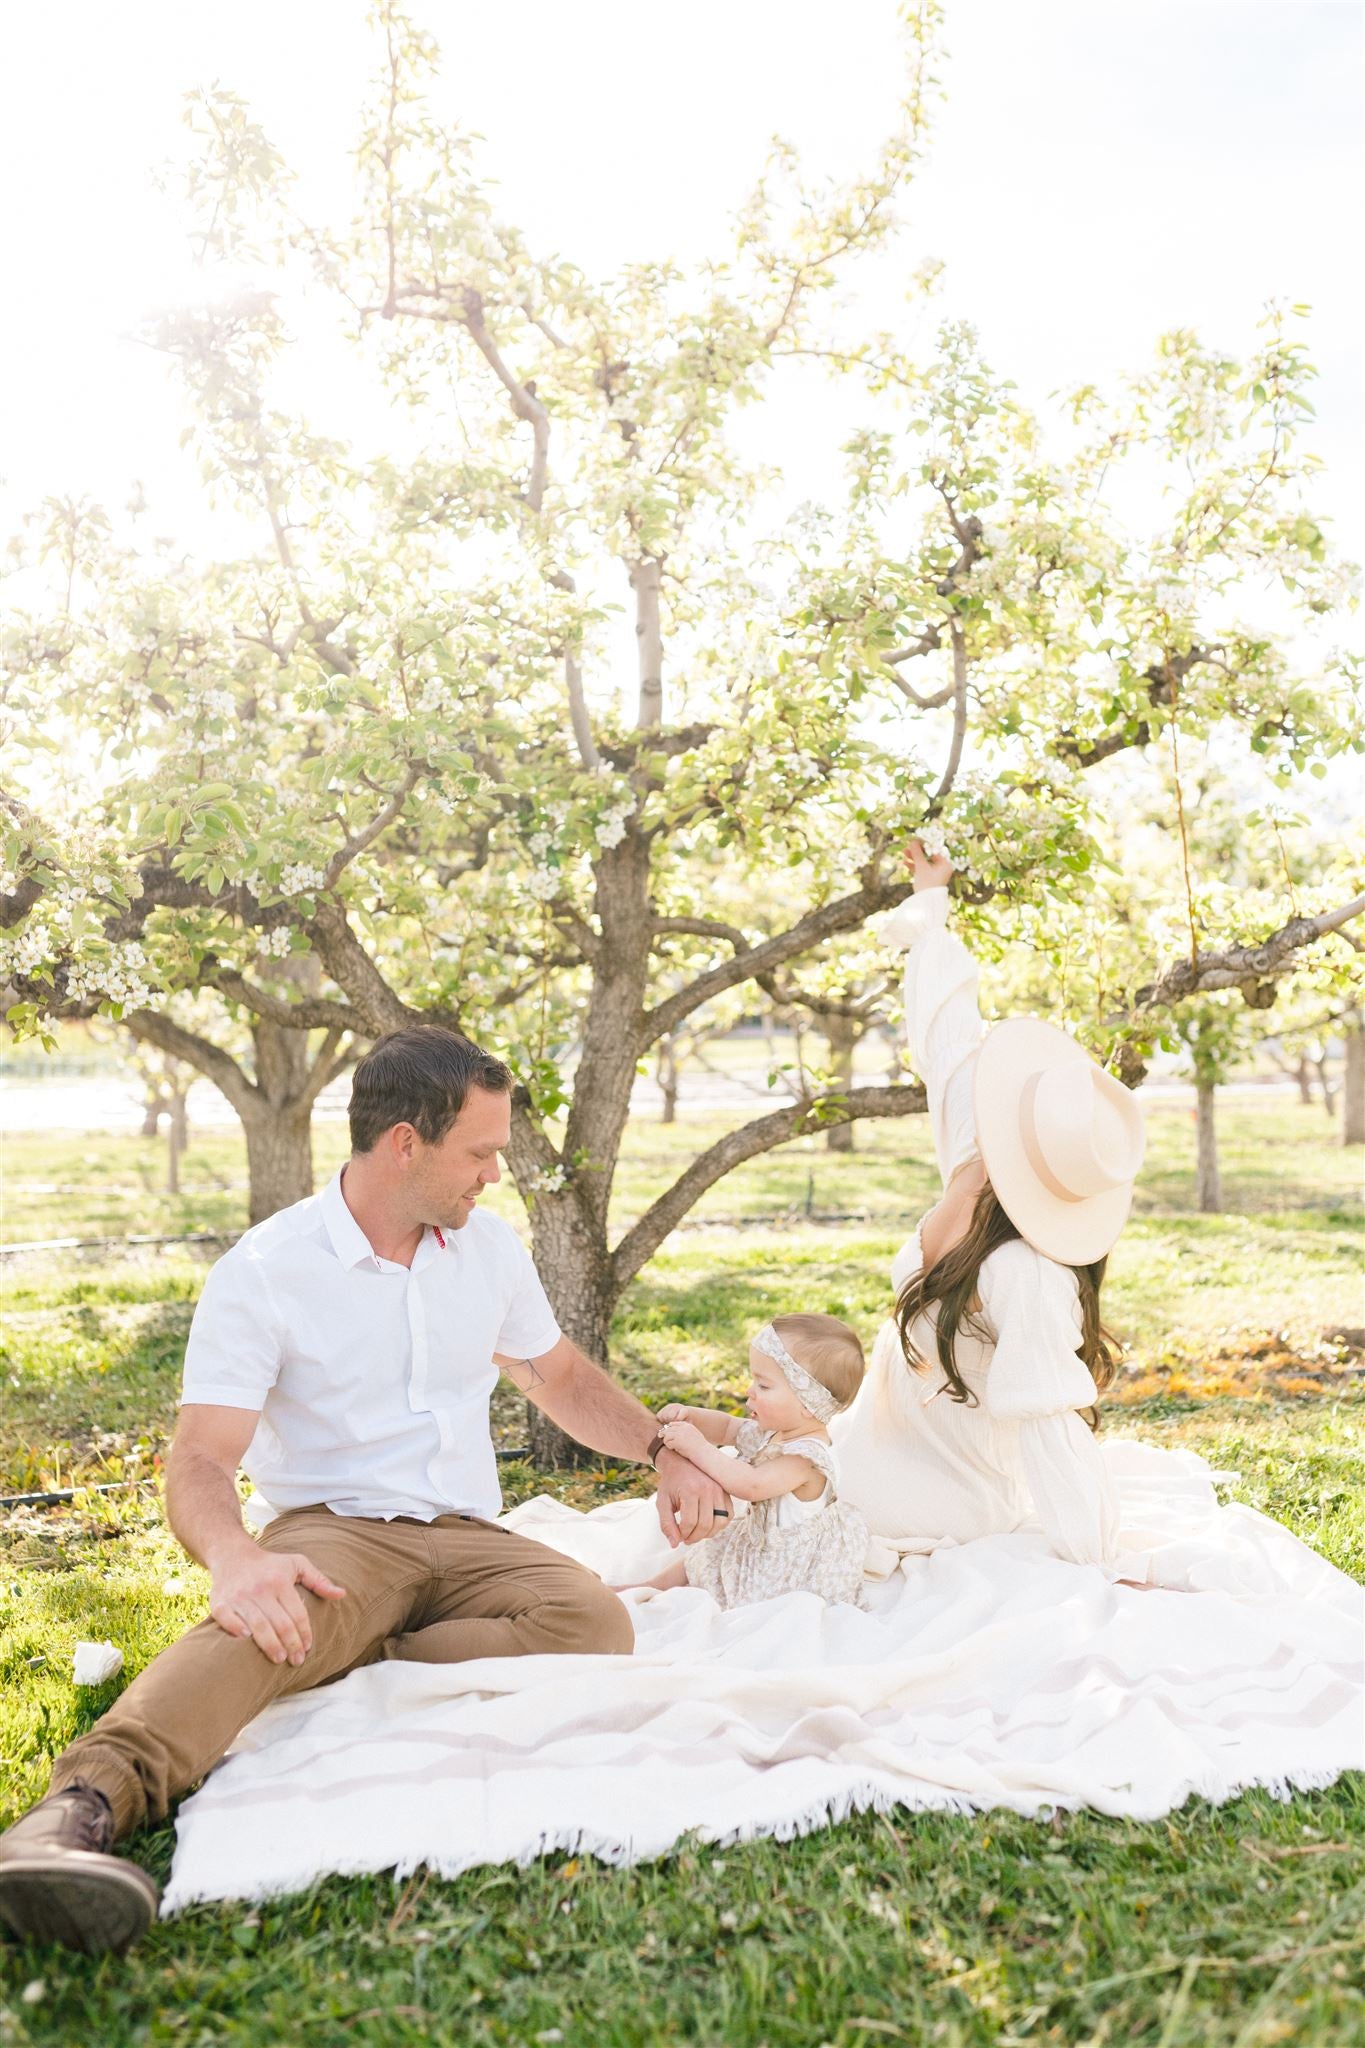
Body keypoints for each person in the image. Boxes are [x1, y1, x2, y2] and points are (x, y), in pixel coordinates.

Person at [0, 1026, 728, 1957]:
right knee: (265, 1624)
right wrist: (236, 1558)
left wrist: (665, 1446)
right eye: (480, 1152)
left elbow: (559, 1379)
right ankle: (77, 1810)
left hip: (468, 1537)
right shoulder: (265, 1272)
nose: (492, 1177)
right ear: (404, 1144)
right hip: (339, 1533)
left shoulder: (488, 1248)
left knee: (593, 1623)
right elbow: (199, 1460)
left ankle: (363, 1648)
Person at [832, 836, 1155, 1583]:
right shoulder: (974, 1162)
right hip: (863, 1459)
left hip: (947, 1499)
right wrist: (932, 898)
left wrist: (1092, 1561)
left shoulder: (1024, 1270)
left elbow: (1051, 1424)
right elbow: (945, 1036)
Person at [622, 1313, 869, 1610]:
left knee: (729, 1570)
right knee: (707, 1552)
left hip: (787, 1564)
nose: (750, 1391)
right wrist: (691, 1416)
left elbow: (752, 1486)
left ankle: (661, 1589)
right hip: (761, 1539)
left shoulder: (806, 1458)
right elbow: (728, 1428)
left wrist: (697, 1447)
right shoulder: (775, 1432)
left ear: (808, 1405)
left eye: (763, 1386)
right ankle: (650, 1586)